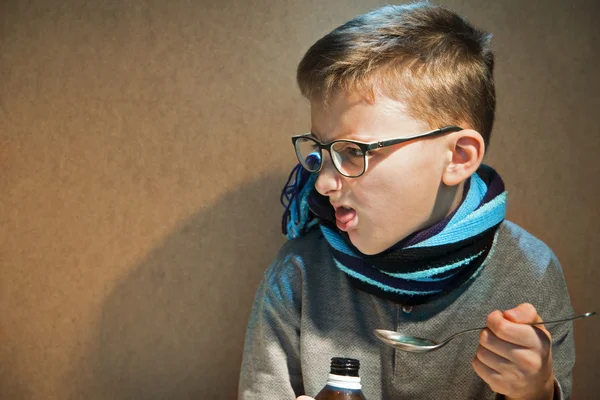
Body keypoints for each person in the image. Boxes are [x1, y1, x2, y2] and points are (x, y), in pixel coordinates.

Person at [238, 2, 575, 399]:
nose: (324, 182)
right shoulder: (298, 274)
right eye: (322, 150)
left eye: (354, 151)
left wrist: (536, 392)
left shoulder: (531, 274)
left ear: (458, 157)